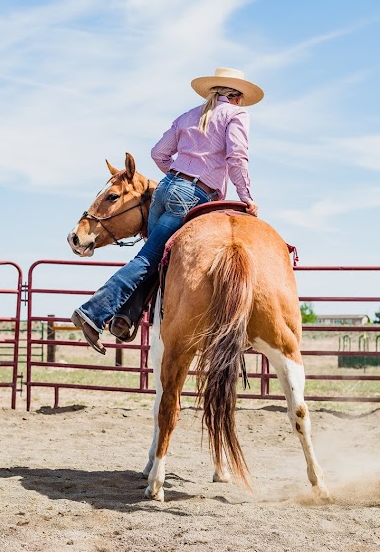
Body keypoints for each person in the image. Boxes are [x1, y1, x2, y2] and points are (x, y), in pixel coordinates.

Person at [72, 67, 264, 353]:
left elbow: (158, 153)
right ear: (236, 97)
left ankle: (127, 315)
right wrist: (246, 197)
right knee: (149, 258)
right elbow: (237, 158)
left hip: (165, 189)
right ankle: (92, 313)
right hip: (194, 196)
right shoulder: (236, 115)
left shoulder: (188, 116)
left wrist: (177, 176)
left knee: (160, 257)